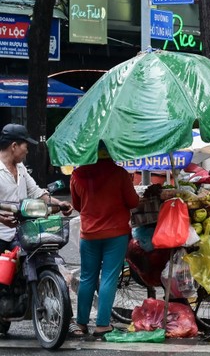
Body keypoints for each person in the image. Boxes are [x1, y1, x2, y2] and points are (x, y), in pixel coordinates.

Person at [69, 143, 139, 337]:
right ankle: (102, 324)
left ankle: (81, 323)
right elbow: (133, 202)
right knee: (108, 277)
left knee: (87, 277)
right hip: (115, 234)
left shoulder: (77, 175)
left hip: (89, 234)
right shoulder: (120, 174)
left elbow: (76, 204)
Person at [0, 124, 72, 253]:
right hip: (1, 235)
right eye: (26, 147)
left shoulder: (21, 167)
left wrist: (59, 203)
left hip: (23, 233)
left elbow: (35, 192)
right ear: (14, 146)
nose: (27, 152)